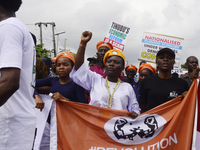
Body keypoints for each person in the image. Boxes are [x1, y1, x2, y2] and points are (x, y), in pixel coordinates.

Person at [71, 31, 140, 119]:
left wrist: (135, 113)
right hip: (95, 125)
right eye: (108, 62)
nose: (111, 64)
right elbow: (79, 68)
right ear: (105, 65)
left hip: (117, 128)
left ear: (122, 67)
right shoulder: (96, 80)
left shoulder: (127, 87)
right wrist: (83, 43)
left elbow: (135, 108)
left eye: (116, 62)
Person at [0, 0, 36, 149]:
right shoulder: (16, 27)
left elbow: (9, 82)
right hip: (13, 123)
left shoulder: (8, 27)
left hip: (8, 126)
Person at [34, 51, 87, 149]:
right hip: (49, 123)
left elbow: (83, 107)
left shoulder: (77, 85)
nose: (61, 67)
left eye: (65, 65)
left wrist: (65, 100)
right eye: (58, 65)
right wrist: (37, 96)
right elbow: (31, 84)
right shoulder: (52, 80)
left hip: (68, 125)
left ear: (72, 67)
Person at [139, 48, 189, 113]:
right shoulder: (146, 82)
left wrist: (186, 98)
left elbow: (187, 107)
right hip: (152, 121)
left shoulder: (183, 84)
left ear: (173, 63)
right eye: (161, 57)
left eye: (169, 58)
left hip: (174, 122)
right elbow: (142, 107)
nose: (165, 59)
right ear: (156, 62)